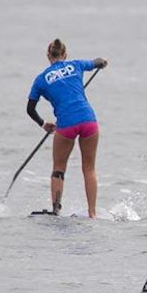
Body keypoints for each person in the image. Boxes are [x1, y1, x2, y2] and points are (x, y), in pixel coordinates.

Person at [26, 39, 108, 217]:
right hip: (88, 120)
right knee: (89, 168)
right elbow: (98, 62)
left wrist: (43, 124)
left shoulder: (41, 79)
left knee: (58, 168)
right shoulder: (76, 65)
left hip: (67, 124)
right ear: (65, 54)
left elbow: (30, 109)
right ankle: (92, 213)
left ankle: (56, 210)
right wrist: (102, 63)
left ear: (48, 55)